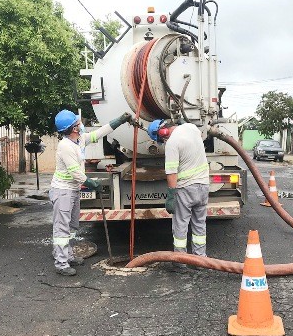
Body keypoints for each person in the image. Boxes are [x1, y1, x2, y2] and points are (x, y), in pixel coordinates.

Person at [50, 109, 132, 276]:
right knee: (61, 229)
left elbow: (99, 133)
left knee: (72, 226)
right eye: (78, 123)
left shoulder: (79, 140)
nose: (81, 125)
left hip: (72, 190)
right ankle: (61, 263)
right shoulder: (65, 146)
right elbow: (76, 174)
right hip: (63, 191)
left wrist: (119, 120)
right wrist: (93, 183)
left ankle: (69, 255)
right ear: (73, 128)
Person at [148, 119, 210, 261]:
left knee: (180, 225)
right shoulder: (191, 128)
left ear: (163, 132)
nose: (163, 141)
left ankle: (181, 261)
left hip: (186, 189)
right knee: (199, 224)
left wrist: (171, 195)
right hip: (203, 185)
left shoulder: (172, 143)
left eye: (161, 139)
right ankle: (200, 260)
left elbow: (171, 172)